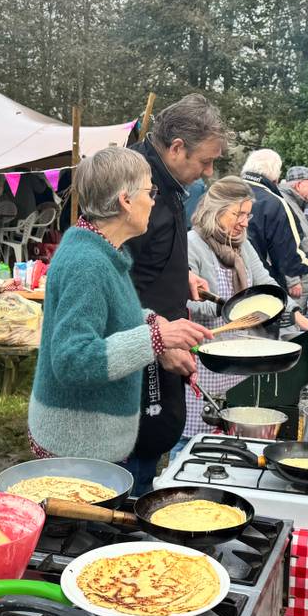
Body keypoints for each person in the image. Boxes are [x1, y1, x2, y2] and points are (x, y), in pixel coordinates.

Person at [29, 147, 211, 461]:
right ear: (125, 200)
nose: (154, 200)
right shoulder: (86, 263)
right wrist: (155, 338)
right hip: (78, 449)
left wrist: (155, 323)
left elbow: (110, 314)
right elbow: (72, 359)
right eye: (149, 190)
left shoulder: (101, 251)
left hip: (91, 442)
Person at [125, 93, 226, 494]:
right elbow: (116, 282)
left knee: (157, 437)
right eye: (205, 161)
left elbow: (147, 256)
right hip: (137, 347)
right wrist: (157, 342)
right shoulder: (136, 188)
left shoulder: (166, 185)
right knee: (137, 452)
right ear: (177, 147)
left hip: (162, 331)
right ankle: (125, 525)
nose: (208, 172)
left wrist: (179, 271)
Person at [183, 177, 308, 437]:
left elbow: (265, 284)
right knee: (198, 436)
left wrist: (295, 313)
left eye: (248, 215)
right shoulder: (192, 244)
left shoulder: (242, 244)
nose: (244, 222)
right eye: (238, 214)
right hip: (205, 359)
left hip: (239, 362)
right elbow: (185, 300)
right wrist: (229, 309)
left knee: (234, 432)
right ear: (215, 210)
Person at [242, 149, 308, 301]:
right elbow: (289, 258)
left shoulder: (223, 192)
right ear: (275, 172)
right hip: (264, 287)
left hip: (223, 283)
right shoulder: (274, 202)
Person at [279, 165, 308, 303]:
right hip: (298, 280)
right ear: (298, 184)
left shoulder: (293, 202)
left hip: (302, 275)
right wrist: (292, 280)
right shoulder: (286, 203)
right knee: (294, 320)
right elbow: (282, 243)